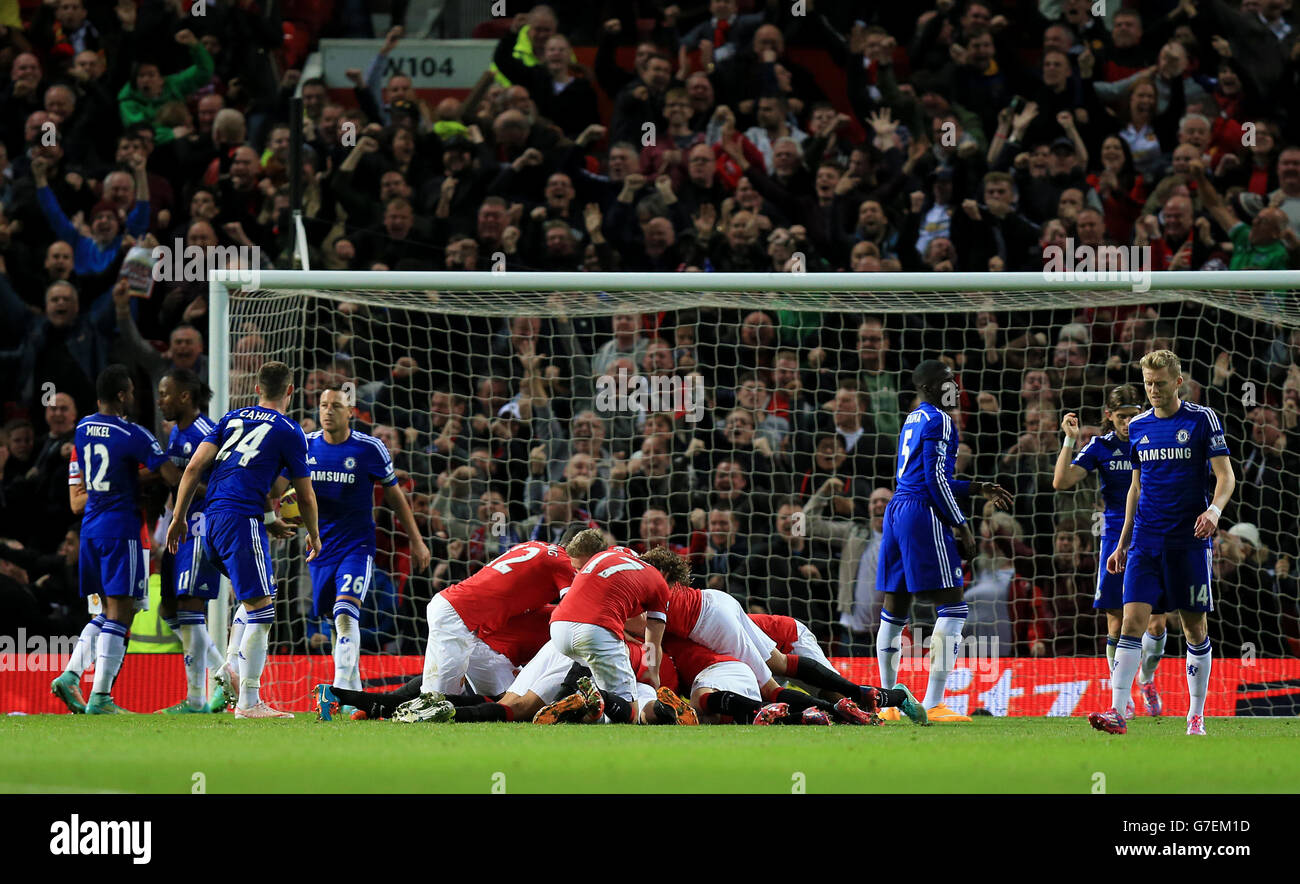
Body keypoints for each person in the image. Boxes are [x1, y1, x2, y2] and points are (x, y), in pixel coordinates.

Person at [1089, 350, 1235, 737]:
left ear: (1178, 381)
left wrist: (1215, 512)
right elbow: (1135, 488)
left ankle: (1195, 716)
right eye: (1148, 383)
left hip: (1188, 542)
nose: (1153, 390)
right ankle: (1118, 711)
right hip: (1145, 542)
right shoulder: (1138, 426)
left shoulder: (1202, 420)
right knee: (1131, 623)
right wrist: (1122, 543)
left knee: (1194, 630)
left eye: (1159, 383)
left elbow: (1226, 476)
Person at [166, 361, 322, 719]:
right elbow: (306, 495)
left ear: (256, 389)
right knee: (263, 611)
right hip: (240, 518)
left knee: (256, 595)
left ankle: (233, 668)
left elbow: (192, 468)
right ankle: (250, 702)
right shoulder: (290, 430)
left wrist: (177, 519)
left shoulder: (231, 418)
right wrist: (315, 537)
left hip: (209, 521)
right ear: (290, 391)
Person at [876, 360, 1013, 722]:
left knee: (894, 609)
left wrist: (974, 487)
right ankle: (934, 702)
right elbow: (935, 480)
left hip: (898, 509)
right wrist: (961, 524)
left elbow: (923, 475)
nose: (955, 385)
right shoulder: (941, 420)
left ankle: (889, 703)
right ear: (933, 386)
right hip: (923, 513)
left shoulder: (914, 418)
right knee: (953, 606)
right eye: (949, 380)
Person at [276, 386, 430, 705]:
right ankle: (354, 691)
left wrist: (416, 540)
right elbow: (292, 493)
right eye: (322, 405)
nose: (327, 411)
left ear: (350, 413)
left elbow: (395, 496)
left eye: (335, 405)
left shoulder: (369, 448)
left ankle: (337, 694)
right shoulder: (305, 445)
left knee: (347, 612)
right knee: (334, 619)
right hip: (320, 548)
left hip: (357, 547)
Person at [50, 365, 178, 714]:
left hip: (91, 531)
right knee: (120, 615)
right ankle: (101, 697)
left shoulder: (82, 429)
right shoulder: (133, 434)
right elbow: (169, 474)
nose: (134, 398)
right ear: (122, 395)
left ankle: (72, 673)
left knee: (107, 612)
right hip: (123, 531)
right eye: (132, 392)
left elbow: (97, 476)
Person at [377, 533, 585, 723]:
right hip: (458, 618)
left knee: (509, 700)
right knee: (437, 704)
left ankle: (372, 707)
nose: (585, 571)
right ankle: (376, 710)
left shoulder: (533, 546)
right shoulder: (563, 561)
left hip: (471, 627)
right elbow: (572, 609)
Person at [1053, 385, 1168, 718]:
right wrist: (1069, 439)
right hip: (1114, 535)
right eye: (1122, 417)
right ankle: (1123, 696)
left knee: (1157, 624)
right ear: (1109, 416)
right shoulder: (1100, 446)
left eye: (1133, 415)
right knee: (1115, 622)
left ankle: (1146, 678)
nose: (1128, 422)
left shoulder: (1152, 436)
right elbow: (1061, 481)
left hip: (1152, 531)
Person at [153, 368, 230, 714]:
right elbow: (175, 486)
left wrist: (182, 482)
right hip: (179, 528)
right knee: (168, 608)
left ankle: (196, 698)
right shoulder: (176, 433)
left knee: (189, 609)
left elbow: (217, 487)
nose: (160, 401)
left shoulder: (205, 433)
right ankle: (226, 675)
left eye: (165, 394)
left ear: (185, 396)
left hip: (201, 528)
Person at [541, 538, 676, 724]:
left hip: (558, 627)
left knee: (596, 688)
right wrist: (653, 673)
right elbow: (652, 641)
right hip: (595, 632)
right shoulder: (660, 583)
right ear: (666, 574)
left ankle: (572, 702)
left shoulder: (606, 554)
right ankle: (596, 696)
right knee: (630, 713)